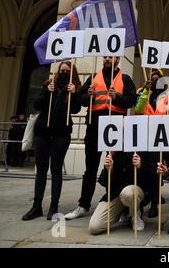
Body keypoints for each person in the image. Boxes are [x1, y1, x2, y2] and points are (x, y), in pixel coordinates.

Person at [65, 56, 136, 220]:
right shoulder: (93, 77)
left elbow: (131, 101)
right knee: (90, 168)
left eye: (110, 57)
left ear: (117, 60)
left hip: (115, 126)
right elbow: (81, 101)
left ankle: (115, 206)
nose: (107, 59)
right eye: (105, 57)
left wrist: (117, 97)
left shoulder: (125, 79)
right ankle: (83, 205)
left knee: (115, 167)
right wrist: (87, 95)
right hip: (94, 126)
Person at [22, 61, 82, 220]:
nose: (63, 73)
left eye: (66, 71)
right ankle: (36, 206)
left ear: (71, 74)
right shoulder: (48, 85)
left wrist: (74, 93)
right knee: (41, 171)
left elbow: (76, 109)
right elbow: (37, 105)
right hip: (42, 134)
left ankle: (54, 206)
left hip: (61, 135)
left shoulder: (74, 88)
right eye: (61, 70)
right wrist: (47, 92)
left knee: (56, 170)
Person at [134, 69, 169, 218]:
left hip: (161, 135)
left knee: (157, 170)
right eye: (152, 78)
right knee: (144, 168)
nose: (155, 81)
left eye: (157, 78)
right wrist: (146, 92)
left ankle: (155, 204)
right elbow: (138, 109)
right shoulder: (141, 92)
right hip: (145, 135)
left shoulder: (167, 95)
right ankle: (147, 197)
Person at [88, 152, 147, 235]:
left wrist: (140, 167)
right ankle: (123, 212)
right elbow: (105, 182)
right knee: (94, 227)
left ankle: (135, 214)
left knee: (128, 193)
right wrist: (109, 170)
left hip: (134, 192)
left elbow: (151, 178)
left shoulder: (143, 147)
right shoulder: (114, 149)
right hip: (116, 194)